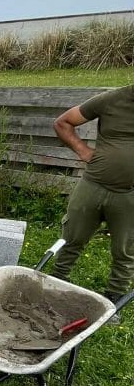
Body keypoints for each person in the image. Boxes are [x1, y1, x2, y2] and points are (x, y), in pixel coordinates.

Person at [52, 86, 134, 319]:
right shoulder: (112, 99)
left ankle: (114, 298)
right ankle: (57, 281)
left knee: (126, 249)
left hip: (130, 195)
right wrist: (83, 150)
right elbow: (63, 122)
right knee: (72, 236)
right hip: (93, 185)